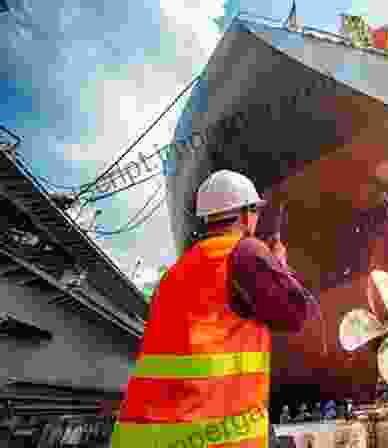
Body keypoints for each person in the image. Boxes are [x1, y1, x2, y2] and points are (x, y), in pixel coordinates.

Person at [110, 169, 319, 448]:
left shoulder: (177, 271)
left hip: (141, 436)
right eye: (255, 211)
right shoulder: (244, 252)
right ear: (245, 215)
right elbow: (297, 314)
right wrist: (279, 265)